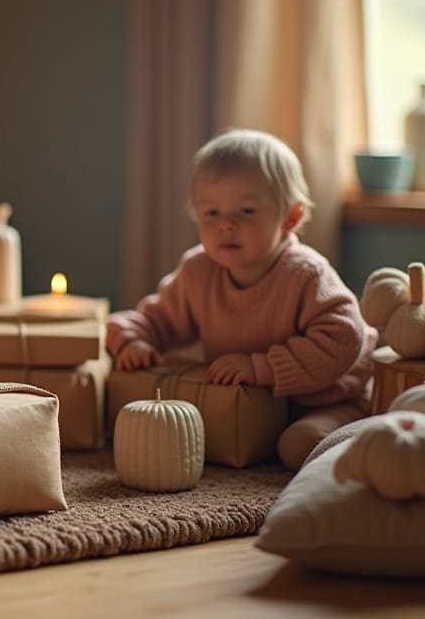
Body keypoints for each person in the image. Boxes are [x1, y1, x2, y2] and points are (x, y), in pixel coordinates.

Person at [108, 128, 375, 470]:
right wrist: (133, 341)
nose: (226, 225)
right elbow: (155, 319)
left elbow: (344, 337)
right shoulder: (199, 270)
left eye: (247, 211)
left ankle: (369, 435)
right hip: (253, 405)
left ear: (290, 217)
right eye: (211, 213)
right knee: (184, 435)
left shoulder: (306, 274)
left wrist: (260, 367)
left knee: (298, 446)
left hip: (325, 400)